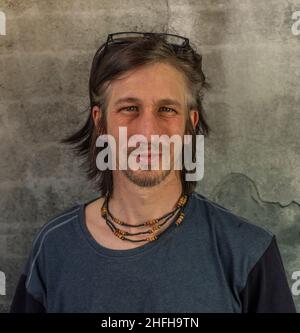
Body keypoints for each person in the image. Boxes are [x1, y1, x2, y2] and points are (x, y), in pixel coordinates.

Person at [10, 31, 296, 313]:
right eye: (129, 108)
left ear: (190, 123)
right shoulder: (54, 248)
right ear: (100, 122)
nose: (148, 132)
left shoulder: (248, 252)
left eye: (167, 110)